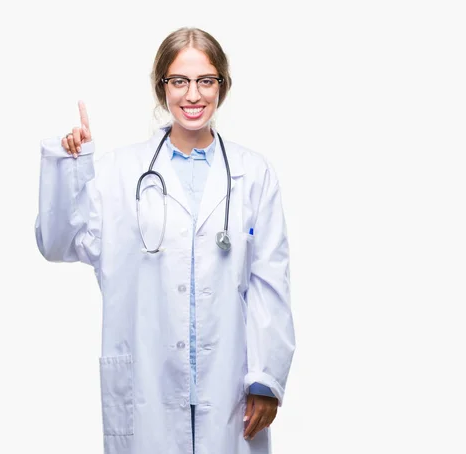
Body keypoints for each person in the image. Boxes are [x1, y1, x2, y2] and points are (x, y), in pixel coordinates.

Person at [35, 27, 295, 454]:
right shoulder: (120, 172)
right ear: (162, 87)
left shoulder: (254, 174)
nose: (193, 95)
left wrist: (266, 376)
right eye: (179, 81)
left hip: (228, 386)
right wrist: (71, 166)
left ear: (222, 86)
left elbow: (271, 280)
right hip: (148, 386)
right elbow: (58, 244)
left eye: (205, 81)